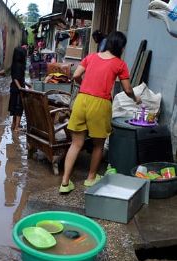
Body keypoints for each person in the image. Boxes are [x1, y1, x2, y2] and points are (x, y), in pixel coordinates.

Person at [59, 31, 141, 193]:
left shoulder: (91, 57)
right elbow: (127, 89)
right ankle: (90, 178)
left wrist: (84, 86)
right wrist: (135, 98)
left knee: (76, 144)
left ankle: (65, 183)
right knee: (98, 144)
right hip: (100, 103)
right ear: (121, 47)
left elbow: (75, 75)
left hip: (81, 100)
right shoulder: (120, 64)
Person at [8, 46, 30, 132]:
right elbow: (16, 79)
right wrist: (20, 88)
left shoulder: (15, 64)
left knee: (14, 107)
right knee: (18, 107)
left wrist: (26, 84)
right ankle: (17, 127)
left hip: (14, 88)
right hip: (17, 90)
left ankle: (14, 125)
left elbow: (19, 78)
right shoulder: (19, 65)